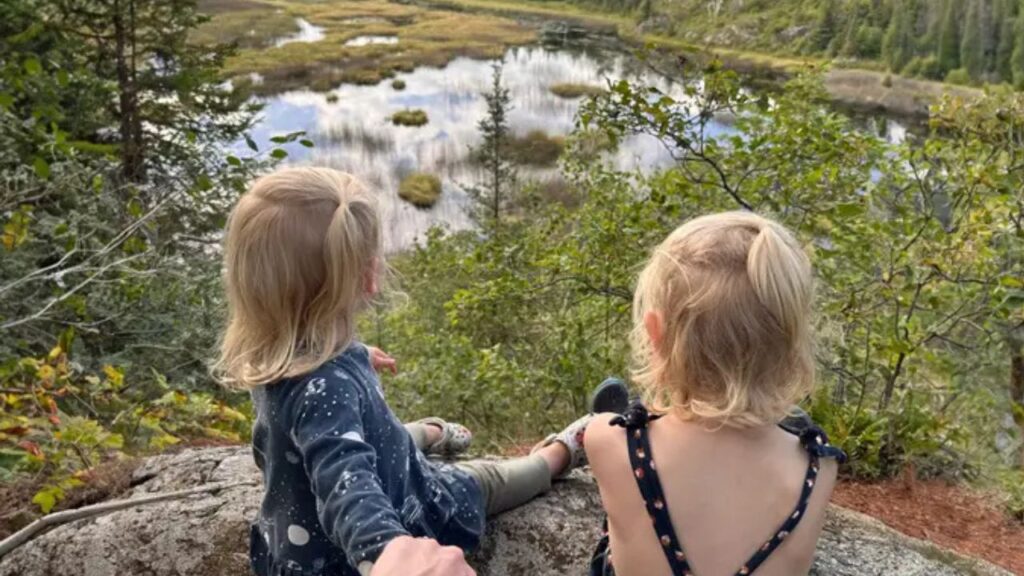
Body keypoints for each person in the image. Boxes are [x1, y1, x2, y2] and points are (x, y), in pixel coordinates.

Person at [215, 167, 597, 576]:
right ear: (367, 278)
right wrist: (390, 553)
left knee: (384, 437)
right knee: (486, 479)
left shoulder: (273, 356)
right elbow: (350, 490)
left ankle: (431, 432)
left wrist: (357, 356)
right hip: (370, 527)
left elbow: (300, 431)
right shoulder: (327, 390)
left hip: (291, 544)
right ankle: (557, 454)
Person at [585, 212, 847, 576]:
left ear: (655, 335)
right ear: (790, 348)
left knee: (617, 520)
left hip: (638, 460)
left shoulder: (607, 441)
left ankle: (645, 413)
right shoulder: (820, 468)